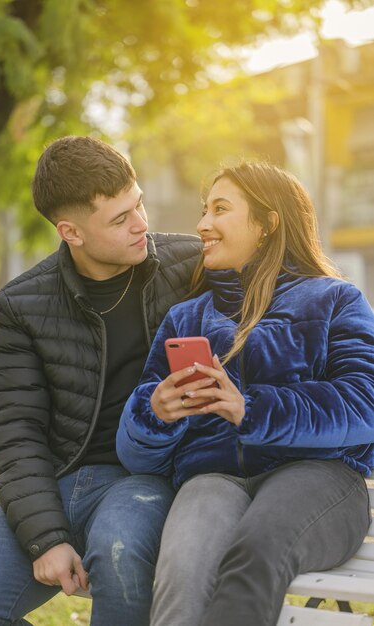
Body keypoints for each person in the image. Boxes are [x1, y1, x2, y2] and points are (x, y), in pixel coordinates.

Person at [116, 160, 374, 626]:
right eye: (203, 210)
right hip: (212, 478)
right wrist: (155, 414)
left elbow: (364, 404)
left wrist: (250, 408)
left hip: (319, 476)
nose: (202, 225)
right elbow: (138, 458)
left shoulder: (335, 299)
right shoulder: (186, 319)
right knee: (181, 573)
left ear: (267, 222)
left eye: (220, 209)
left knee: (256, 550)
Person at [0, 135, 201, 626]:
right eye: (119, 219)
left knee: (120, 553)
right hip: (55, 478)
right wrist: (46, 536)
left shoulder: (191, 266)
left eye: (139, 205)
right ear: (71, 232)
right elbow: (15, 431)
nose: (141, 225)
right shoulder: (21, 305)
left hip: (146, 478)